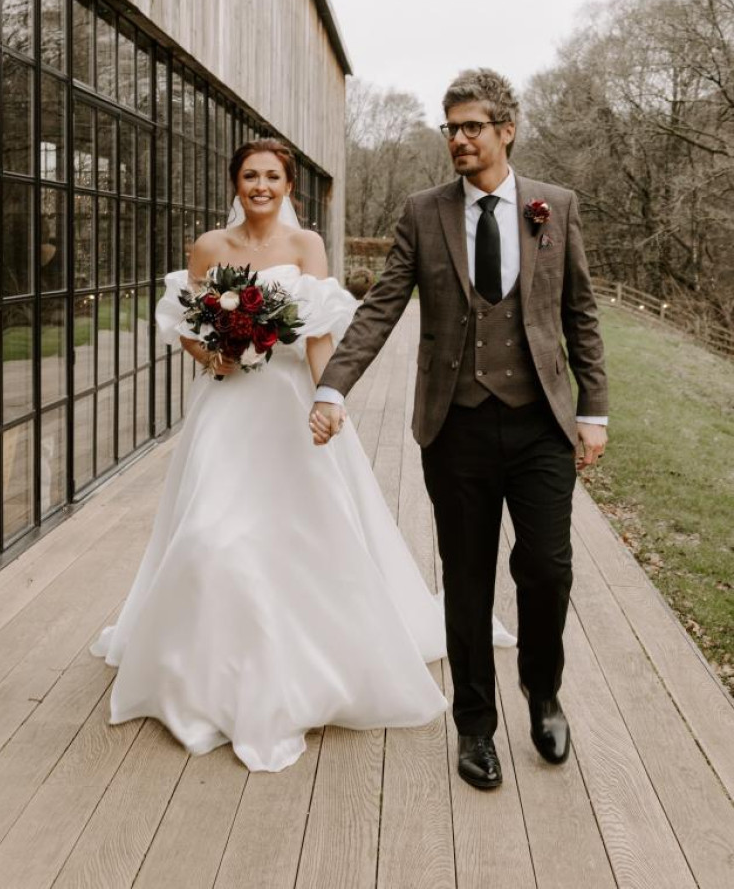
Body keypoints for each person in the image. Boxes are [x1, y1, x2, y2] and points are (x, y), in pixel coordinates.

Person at [90, 138, 515, 772]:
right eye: (249, 176)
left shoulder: (306, 247)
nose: (260, 186)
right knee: (210, 533)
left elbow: (318, 330)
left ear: (289, 186)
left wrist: (329, 396)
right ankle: (206, 672)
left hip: (289, 404)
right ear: (235, 183)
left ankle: (306, 664)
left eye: (272, 176)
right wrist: (216, 356)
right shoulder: (209, 247)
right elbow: (186, 324)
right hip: (227, 407)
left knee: (303, 532)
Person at [310, 68, 608, 791]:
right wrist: (331, 384)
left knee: (547, 568)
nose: (459, 139)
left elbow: (581, 313)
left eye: (473, 126)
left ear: (507, 129)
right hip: (457, 425)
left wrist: (593, 410)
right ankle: (475, 726)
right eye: (450, 127)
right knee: (467, 581)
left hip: (541, 423)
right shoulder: (422, 211)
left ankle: (543, 690)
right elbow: (380, 306)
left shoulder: (554, 207)